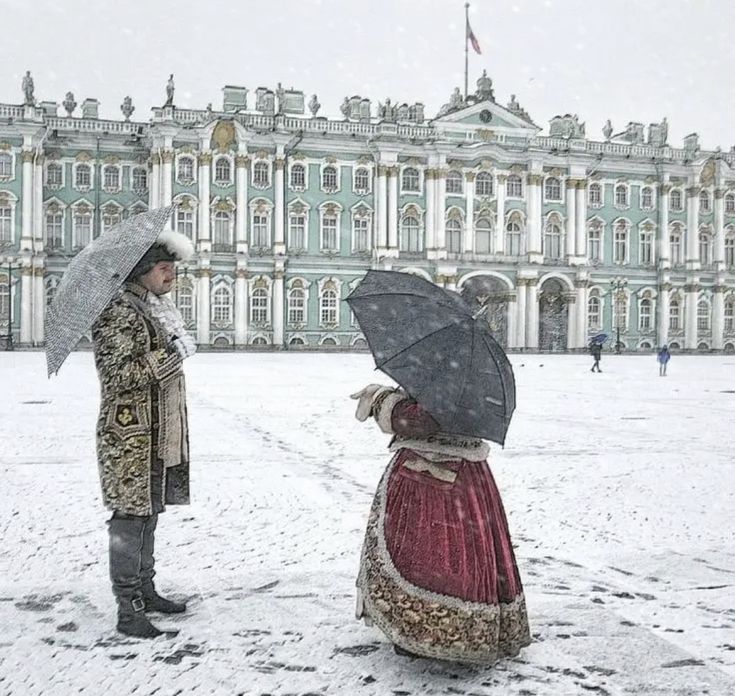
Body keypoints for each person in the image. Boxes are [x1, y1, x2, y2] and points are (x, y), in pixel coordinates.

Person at [350, 385, 531, 665]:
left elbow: (422, 421)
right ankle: (461, 627)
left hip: (430, 480)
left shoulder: (446, 378)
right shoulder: (472, 377)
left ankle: (428, 631)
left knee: (425, 555)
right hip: (466, 477)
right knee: (469, 553)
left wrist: (384, 401)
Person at [92, 230, 196, 638]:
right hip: (128, 437)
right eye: (165, 269)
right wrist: (169, 354)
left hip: (153, 433)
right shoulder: (118, 310)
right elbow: (117, 376)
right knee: (129, 520)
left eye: (173, 268)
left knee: (148, 515)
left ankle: (146, 591)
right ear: (144, 270)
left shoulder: (149, 308)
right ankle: (129, 609)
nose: (172, 276)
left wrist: (171, 346)